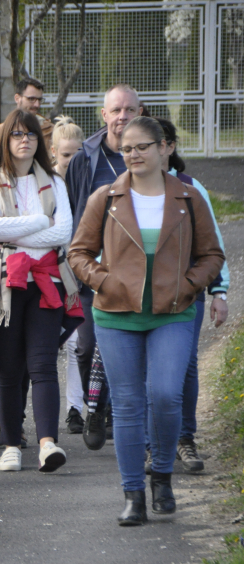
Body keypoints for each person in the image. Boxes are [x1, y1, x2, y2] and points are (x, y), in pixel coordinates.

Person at [68, 116, 224, 525]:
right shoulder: (107, 197)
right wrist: (105, 281)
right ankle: (134, 493)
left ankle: (163, 477)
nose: (133, 154)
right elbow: (78, 252)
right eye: (126, 148)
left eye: (142, 147)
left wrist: (191, 284)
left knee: (167, 395)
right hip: (117, 314)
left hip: (172, 313)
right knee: (128, 404)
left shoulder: (189, 198)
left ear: (164, 148)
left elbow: (212, 254)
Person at [0, 109, 81, 473]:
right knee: (8, 368)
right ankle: (11, 444)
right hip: (5, 283)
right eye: (17, 135)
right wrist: (38, 222)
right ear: (6, 140)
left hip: (46, 284)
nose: (24, 140)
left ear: (40, 142)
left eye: (31, 135)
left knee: (43, 365)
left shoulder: (54, 182)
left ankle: (48, 443)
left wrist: (14, 231)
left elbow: (62, 233)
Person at [148, 118, 229, 474]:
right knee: (150, 373)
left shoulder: (192, 188)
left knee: (186, 367)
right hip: (142, 296)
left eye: (160, 142)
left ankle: (184, 438)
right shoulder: (126, 190)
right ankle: (152, 446)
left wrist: (218, 290)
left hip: (186, 295)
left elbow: (213, 245)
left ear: (169, 147)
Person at [66, 84, 144, 445]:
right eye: (116, 110)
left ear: (140, 113)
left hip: (134, 274)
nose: (122, 117)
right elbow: (72, 212)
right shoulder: (86, 159)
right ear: (104, 115)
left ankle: (109, 410)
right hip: (90, 275)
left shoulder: (150, 155)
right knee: (85, 348)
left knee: (125, 345)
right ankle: (94, 404)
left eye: (129, 110)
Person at [49, 115, 87, 434]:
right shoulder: (46, 185)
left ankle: (76, 407)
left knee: (77, 343)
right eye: (66, 155)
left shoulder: (88, 182)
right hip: (47, 272)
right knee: (45, 348)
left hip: (77, 276)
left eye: (77, 154)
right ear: (53, 154)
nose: (72, 161)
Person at [0, 77, 54, 172]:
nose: (37, 105)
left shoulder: (51, 132)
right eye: (31, 99)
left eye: (39, 100)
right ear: (17, 98)